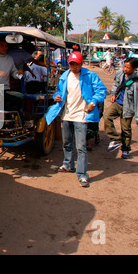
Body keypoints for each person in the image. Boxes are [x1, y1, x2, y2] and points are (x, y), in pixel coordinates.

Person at [45, 51, 107, 187]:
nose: (74, 67)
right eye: (72, 64)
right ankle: (68, 165)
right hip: (67, 115)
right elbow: (59, 91)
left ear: (81, 63)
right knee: (66, 143)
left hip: (81, 115)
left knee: (81, 147)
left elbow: (102, 90)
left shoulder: (90, 75)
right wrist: (56, 96)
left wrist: (93, 102)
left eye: (76, 64)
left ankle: (82, 174)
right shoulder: (65, 76)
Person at [104, 57, 138, 159]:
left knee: (126, 129)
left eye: (128, 67)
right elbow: (116, 85)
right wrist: (114, 94)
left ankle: (126, 149)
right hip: (118, 103)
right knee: (106, 116)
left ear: (135, 68)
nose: (125, 69)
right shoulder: (119, 73)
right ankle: (116, 140)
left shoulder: (136, 83)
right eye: (125, 66)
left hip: (128, 107)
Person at [0, 39, 30, 124]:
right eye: (2, 45)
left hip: (5, 89)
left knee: (20, 97)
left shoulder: (9, 59)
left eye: (6, 45)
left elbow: (14, 73)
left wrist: (19, 74)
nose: (5, 47)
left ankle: (18, 121)